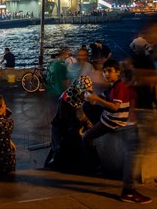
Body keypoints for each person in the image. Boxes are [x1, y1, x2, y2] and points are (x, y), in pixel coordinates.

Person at [82, 58, 151, 204]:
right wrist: (91, 97)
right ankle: (127, 189)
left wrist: (96, 99)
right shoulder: (114, 87)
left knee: (88, 137)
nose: (106, 74)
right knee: (131, 155)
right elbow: (106, 100)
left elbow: (114, 107)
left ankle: (98, 167)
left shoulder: (119, 87)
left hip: (114, 122)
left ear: (118, 72)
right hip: (111, 121)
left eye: (110, 71)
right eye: (105, 71)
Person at [47, 75, 93, 173]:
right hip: (60, 128)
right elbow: (64, 119)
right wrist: (78, 127)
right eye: (84, 92)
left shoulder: (78, 96)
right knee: (59, 152)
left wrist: (86, 121)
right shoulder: (66, 98)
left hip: (71, 127)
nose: (85, 96)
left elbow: (80, 112)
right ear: (78, 89)